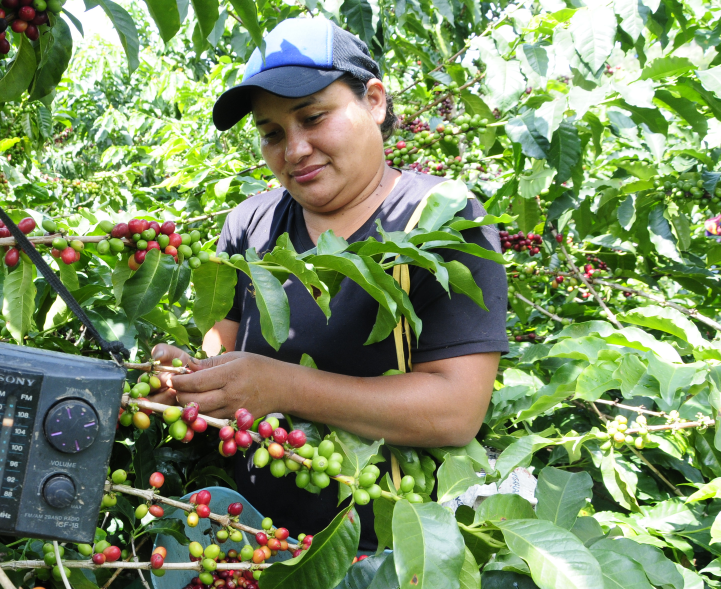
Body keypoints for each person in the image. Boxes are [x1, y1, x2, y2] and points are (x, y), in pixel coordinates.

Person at [148, 17, 508, 549]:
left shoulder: (438, 217)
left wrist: (281, 385)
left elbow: (456, 410)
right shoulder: (250, 224)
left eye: (313, 118)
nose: (293, 150)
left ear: (375, 102)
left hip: (382, 555)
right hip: (243, 538)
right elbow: (222, 342)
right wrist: (194, 376)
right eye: (271, 134)